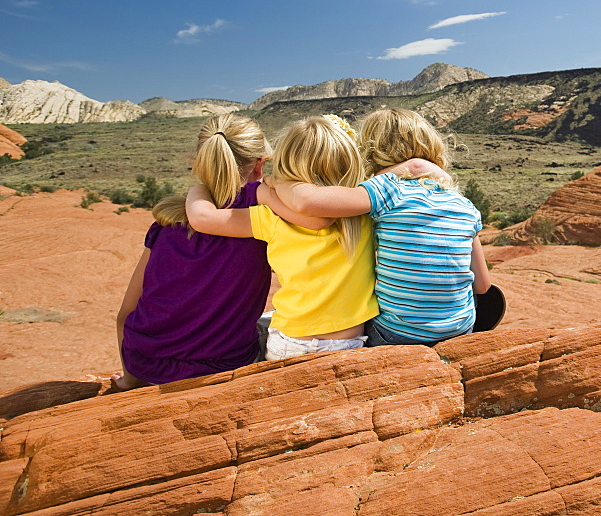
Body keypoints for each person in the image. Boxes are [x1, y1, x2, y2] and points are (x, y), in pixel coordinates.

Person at [113, 114, 323, 390]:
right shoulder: (262, 220)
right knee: (274, 322)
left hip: (145, 364)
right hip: (223, 365)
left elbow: (126, 313)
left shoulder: (167, 223)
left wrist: (130, 380)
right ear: (260, 166)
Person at [269, 108, 492, 347]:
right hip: (460, 328)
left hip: (396, 334)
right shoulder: (465, 205)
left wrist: (273, 184)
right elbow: (482, 285)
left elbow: (307, 202)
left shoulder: (386, 190)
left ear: (371, 152)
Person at [185, 115, 379, 360]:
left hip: (291, 342)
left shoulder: (271, 217)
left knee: (256, 328)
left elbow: (203, 219)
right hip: (350, 341)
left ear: (287, 164)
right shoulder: (367, 211)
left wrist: (199, 189)